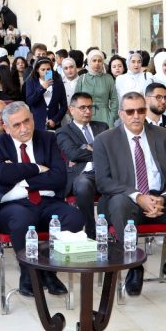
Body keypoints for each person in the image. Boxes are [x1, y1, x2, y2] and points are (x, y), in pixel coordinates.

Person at [93, 92, 166, 297]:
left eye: (140, 110)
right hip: (128, 203)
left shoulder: (162, 135)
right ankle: (134, 265)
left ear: (146, 111)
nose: (136, 116)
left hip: (161, 200)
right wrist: (138, 196)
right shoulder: (105, 140)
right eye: (130, 112)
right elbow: (103, 182)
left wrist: (163, 198)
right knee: (118, 203)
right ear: (121, 114)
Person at [0, 101, 82, 297]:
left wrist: (21, 179)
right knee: (24, 219)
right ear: (6, 128)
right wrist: (36, 168)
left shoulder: (47, 138)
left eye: (27, 121)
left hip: (47, 202)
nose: (24, 128)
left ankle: (49, 271)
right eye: (17, 125)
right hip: (11, 205)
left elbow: (60, 177)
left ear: (33, 119)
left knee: (74, 218)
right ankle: (28, 273)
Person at [56, 92, 108, 230]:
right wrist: (98, 150)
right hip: (82, 176)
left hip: (105, 173)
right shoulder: (63, 132)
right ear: (71, 109)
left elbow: (111, 151)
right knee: (83, 184)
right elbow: (73, 154)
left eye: (90, 107)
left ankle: (110, 230)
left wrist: (85, 148)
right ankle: (91, 230)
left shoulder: (102, 127)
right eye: (83, 107)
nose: (88, 111)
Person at [76, 49, 118, 127]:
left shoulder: (108, 78)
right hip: (85, 116)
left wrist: (112, 117)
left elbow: (114, 100)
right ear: (89, 62)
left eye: (100, 61)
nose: (97, 63)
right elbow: (76, 99)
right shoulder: (82, 78)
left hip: (104, 117)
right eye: (94, 60)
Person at [24, 57, 66, 132]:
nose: (46, 72)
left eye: (48, 69)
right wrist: (42, 88)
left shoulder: (58, 83)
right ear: (37, 70)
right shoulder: (31, 82)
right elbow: (30, 101)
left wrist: (55, 119)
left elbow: (64, 105)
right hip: (37, 124)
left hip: (54, 125)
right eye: (43, 69)